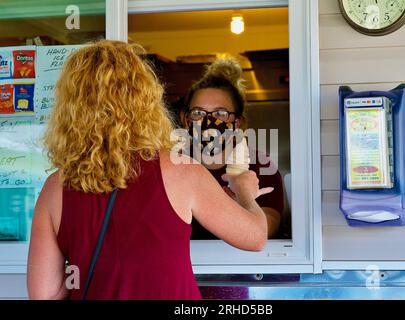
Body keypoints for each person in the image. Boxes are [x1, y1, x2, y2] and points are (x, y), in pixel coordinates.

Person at [27, 40, 270, 300]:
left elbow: (45, 294)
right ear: (144, 99)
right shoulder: (182, 172)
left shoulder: (55, 189)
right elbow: (255, 238)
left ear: (70, 106)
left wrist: (87, 264)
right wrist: (244, 191)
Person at [180, 58, 284, 239]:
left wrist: (245, 200)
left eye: (221, 113)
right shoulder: (171, 166)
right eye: (198, 112)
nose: (208, 121)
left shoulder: (261, 166)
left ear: (237, 122)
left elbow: (267, 229)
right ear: (186, 120)